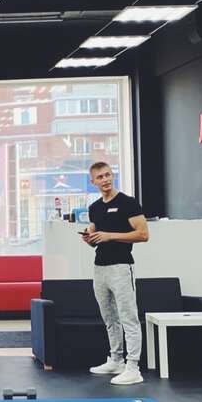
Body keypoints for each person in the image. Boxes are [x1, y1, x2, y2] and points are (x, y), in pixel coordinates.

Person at [83, 161, 150, 386]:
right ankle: (116, 360)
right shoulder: (94, 208)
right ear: (93, 181)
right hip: (100, 268)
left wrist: (110, 235)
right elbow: (97, 238)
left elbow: (143, 235)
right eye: (100, 177)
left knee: (128, 318)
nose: (105, 180)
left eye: (108, 175)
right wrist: (90, 239)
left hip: (121, 267)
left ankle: (133, 368)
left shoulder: (128, 203)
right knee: (109, 318)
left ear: (113, 176)